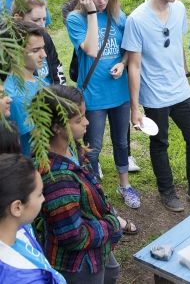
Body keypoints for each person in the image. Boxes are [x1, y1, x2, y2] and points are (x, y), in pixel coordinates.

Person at [123, 0, 190, 211]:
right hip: (154, 95)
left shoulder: (180, 8)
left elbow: (177, 43)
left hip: (180, 90)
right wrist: (135, 109)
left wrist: (184, 71)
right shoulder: (136, 20)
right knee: (160, 143)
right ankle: (167, 191)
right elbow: (134, 66)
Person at [65, 0, 140, 209]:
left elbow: (131, 48)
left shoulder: (118, 15)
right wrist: (90, 13)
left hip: (119, 94)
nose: (101, 0)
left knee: (121, 142)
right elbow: (91, 49)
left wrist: (122, 62)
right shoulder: (76, 19)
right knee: (93, 148)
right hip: (94, 96)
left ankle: (125, 185)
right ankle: (93, 192)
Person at [38, 85, 123, 283]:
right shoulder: (58, 180)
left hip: (95, 251)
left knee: (111, 273)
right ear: (57, 127)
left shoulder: (72, 148)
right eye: (78, 120)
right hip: (78, 265)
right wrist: (113, 224)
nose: (87, 122)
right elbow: (72, 235)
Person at [0, 153, 66, 284]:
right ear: (17, 207)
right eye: (39, 194)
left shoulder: (15, 227)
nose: (43, 199)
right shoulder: (24, 278)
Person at [4, 21, 48, 156]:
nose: (44, 55)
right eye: (35, 50)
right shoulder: (16, 95)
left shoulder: (39, 80)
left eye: (43, 48)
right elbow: (37, 141)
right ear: (13, 53)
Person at [13, 0, 66, 85]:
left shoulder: (45, 36)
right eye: (36, 20)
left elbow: (55, 66)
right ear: (18, 18)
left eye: (44, 19)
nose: (42, 25)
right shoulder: (10, 46)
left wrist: (60, 92)